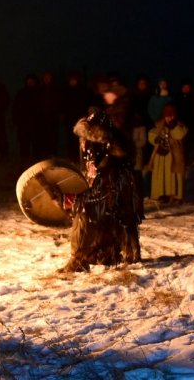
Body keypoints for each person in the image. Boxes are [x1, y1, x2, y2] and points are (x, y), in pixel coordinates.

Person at [59, 108, 142, 273]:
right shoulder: (89, 144)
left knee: (91, 216)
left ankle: (82, 259)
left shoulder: (113, 149)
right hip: (99, 184)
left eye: (87, 137)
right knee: (90, 217)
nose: (84, 142)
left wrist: (79, 197)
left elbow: (108, 182)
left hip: (115, 188)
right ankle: (95, 256)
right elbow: (88, 169)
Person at [148, 103, 188, 203]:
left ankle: (175, 195)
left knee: (174, 175)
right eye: (167, 116)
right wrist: (156, 139)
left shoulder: (180, 125)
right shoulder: (159, 125)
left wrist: (173, 127)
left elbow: (180, 135)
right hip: (161, 155)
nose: (169, 118)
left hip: (174, 155)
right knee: (160, 174)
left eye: (171, 115)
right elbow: (152, 134)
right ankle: (161, 194)